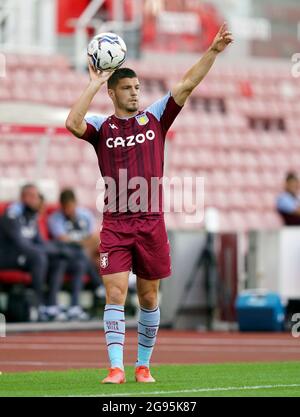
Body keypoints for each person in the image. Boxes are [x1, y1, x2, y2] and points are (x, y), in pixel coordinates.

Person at [66, 23, 233, 384]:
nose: (135, 93)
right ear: (112, 93)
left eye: (137, 88)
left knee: (148, 295)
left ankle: (143, 364)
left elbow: (187, 84)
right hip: (115, 222)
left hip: (151, 221)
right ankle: (115, 368)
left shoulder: (155, 117)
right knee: (114, 292)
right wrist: (93, 83)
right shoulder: (101, 126)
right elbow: (72, 123)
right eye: (127, 88)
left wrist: (213, 51)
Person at [0, 184, 67, 321]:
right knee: (39, 257)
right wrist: (48, 250)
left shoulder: (32, 215)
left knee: (59, 259)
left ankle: (51, 305)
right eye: (35, 196)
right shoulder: (12, 215)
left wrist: (60, 250)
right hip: (8, 256)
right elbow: (21, 244)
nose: (38, 200)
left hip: (26, 255)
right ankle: (39, 305)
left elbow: (39, 242)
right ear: (25, 198)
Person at [48, 189, 105, 302]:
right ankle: (98, 286)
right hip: (66, 254)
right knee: (82, 255)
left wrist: (79, 242)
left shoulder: (85, 215)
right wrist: (83, 242)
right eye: (65, 208)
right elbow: (62, 240)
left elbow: (94, 238)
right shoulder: (55, 218)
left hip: (85, 252)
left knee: (91, 259)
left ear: (75, 203)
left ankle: (80, 302)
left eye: (70, 207)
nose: (68, 211)